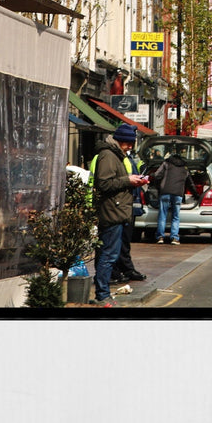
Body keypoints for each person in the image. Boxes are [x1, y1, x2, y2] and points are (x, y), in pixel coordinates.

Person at [92, 124, 148, 307]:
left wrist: (133, 182)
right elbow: (104, 184)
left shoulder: (115, 155)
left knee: (108, 254)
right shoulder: (108, 156)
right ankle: (103, 295)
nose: (131, 147)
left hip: (116, 211)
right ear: (121, 140)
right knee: (108, 255)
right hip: (112, 212)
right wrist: (128, 180)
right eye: (129, 143)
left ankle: (103, 292)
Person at [148, 146, 194, 244]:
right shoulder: (184, 168)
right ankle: (174, 238)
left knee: (162, 215)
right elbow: (190, 183)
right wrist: (196, 195)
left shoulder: (166, 164)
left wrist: (156, 185)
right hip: (178, 194)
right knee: (175, 216)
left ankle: (160, 237)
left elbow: (157, 175)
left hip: (165, 192)